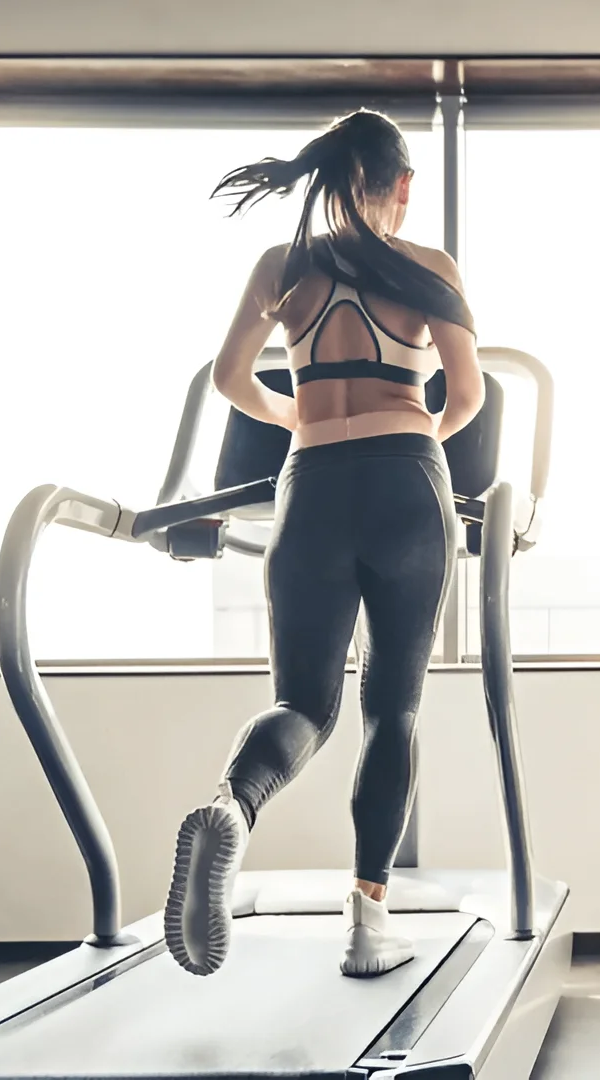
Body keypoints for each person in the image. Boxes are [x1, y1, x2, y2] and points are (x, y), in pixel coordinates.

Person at [163, 109, 484, 979]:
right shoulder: (427, 268)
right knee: (394, 708)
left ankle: (232, 807)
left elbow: (233, 380)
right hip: (408, 478)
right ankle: (367, 922)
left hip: (311, 485)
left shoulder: (283, 266)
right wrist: (420, 437)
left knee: (305, 704)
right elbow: (467, 396)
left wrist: (295, 414)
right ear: (402, 187)